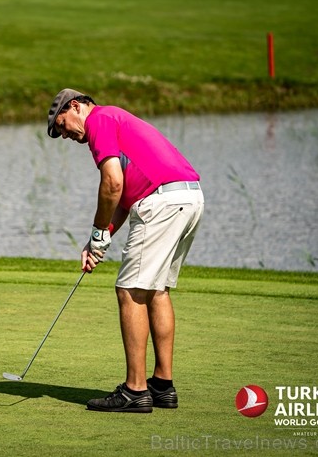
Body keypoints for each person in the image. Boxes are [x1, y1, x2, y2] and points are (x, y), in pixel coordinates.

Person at [47, 88, 204, 413]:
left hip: (161, 201)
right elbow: (123, 196)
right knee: (157, 290)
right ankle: (162, 385)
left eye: (62, 125)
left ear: (75, 106)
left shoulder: (99, 122)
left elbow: (112, 184)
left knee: (130, 291)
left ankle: (135, 390)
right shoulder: (116, 119)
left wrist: (97, 231)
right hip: (188, 198)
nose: (64, 135)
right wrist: (99, 240)